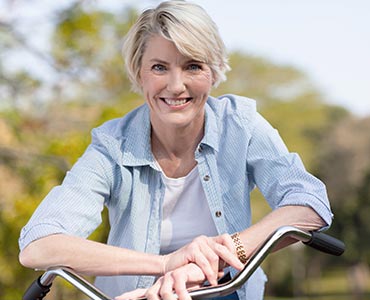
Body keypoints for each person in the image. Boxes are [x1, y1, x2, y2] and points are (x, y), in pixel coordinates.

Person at [18, 1, 333, 299]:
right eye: (159, 67)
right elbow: (38, 244)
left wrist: (219, 255)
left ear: (214, 72)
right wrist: (168, 264)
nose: (176, 85)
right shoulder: (112, 145)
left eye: (193, 66)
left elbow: (309, 203)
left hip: (224, 291)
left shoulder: (240, 124)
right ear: (139, 73)